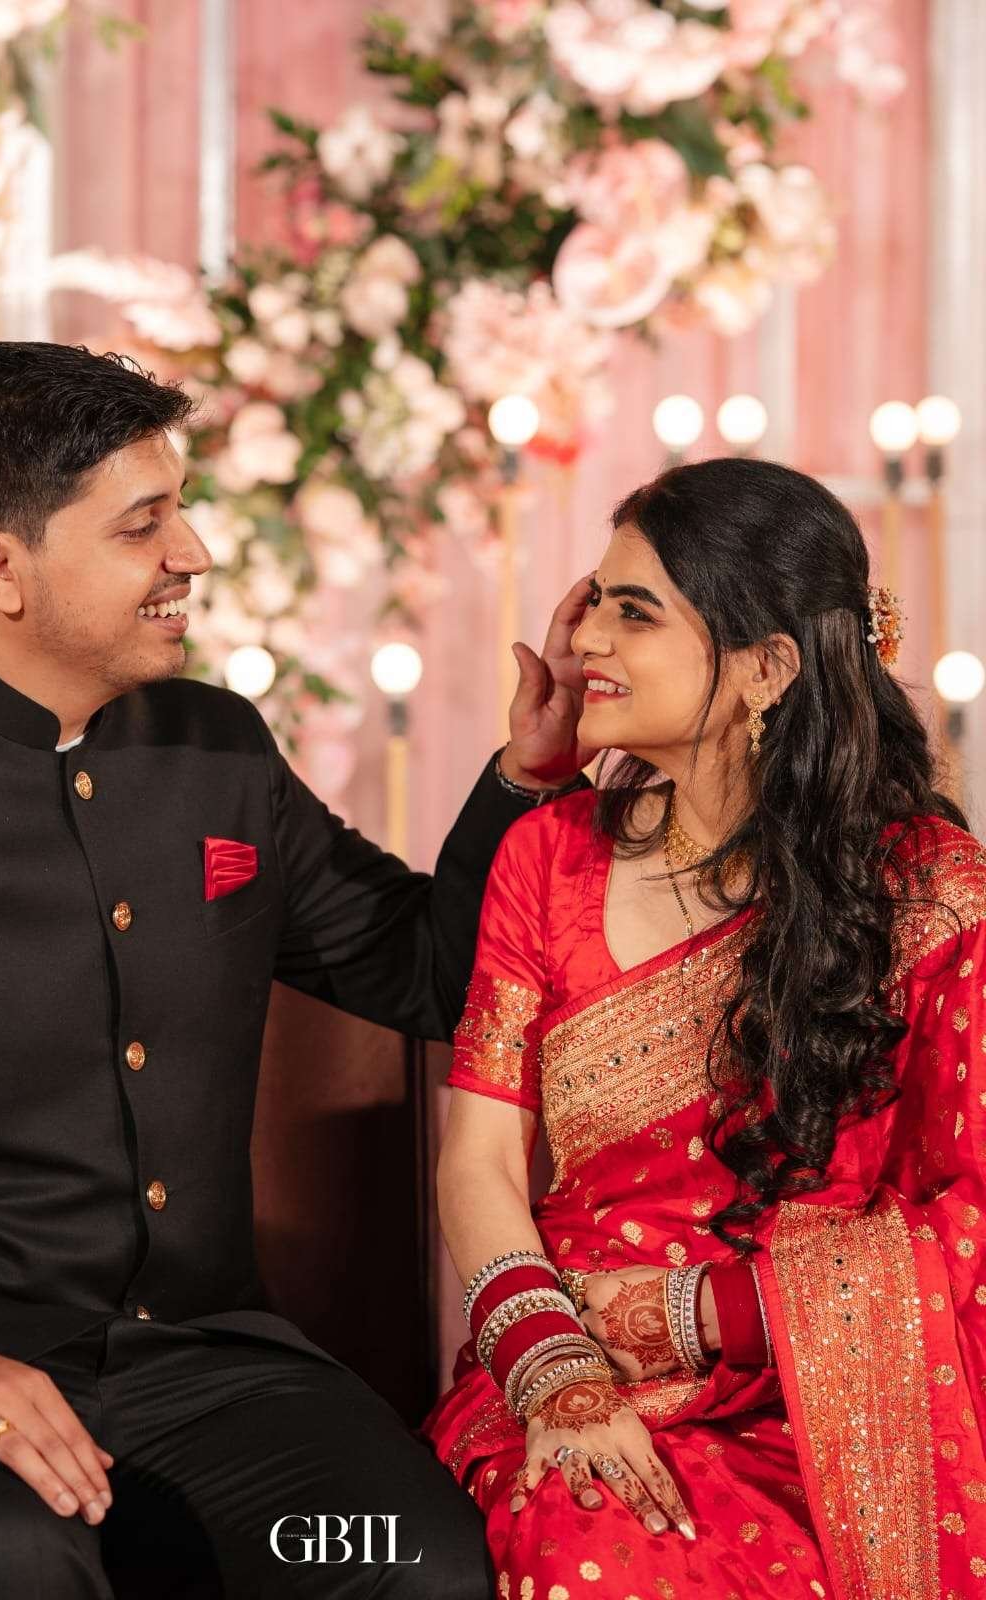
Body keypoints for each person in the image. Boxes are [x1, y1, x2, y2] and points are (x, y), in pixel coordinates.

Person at [0, 340, 594, 1600]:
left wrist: (524, 784)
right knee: (19, 1561)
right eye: (142, 526)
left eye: (180, 509)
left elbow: (424, 971)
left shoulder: (213, 748)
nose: (193, 553)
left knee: (413, 1564)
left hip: (200, 1377)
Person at [422, 457, 986, 1600]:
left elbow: (969, 1211)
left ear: (765, 667)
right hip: (568, 1360)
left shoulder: (926, 893)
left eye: (635, 613)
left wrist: (708, 1312)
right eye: (595, 600)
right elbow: (477, 1160)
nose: (587, 639)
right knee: (585, 1541)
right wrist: (553, 1369)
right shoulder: (549, 854)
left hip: (831, 1397)